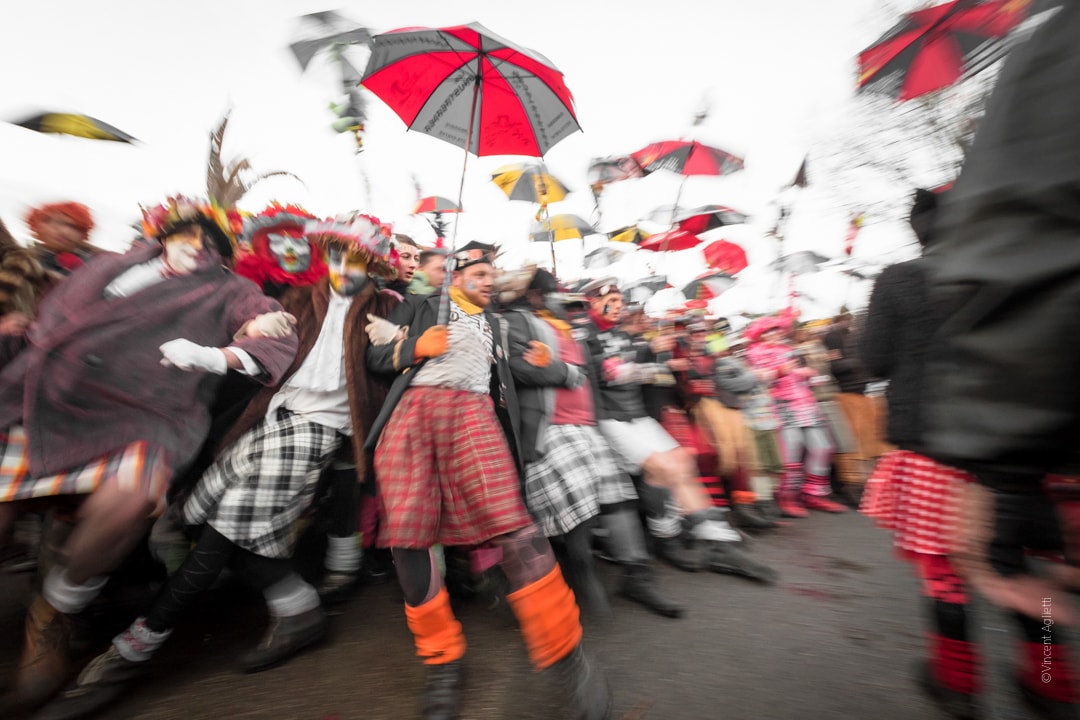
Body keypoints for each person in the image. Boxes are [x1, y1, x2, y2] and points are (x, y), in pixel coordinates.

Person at [0, 195, 297, 715]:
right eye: (185, 234)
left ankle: (53, 613)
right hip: (48, 400)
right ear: (164, 236)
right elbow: (49, 313)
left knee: (133, 494)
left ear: (224, 255)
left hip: (146, 416)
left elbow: (266, 326)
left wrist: (231, 347)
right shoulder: (109, 265)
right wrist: (21, 326)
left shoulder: (230, 289)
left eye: (210, 242)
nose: (196, 246)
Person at [366, 242, 611, 720]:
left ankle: (568, 657)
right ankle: (442, 661)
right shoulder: (417, 306)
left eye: (492, 275)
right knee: (408, 540)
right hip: (412, 418)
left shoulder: (499, 324)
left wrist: (547, 363)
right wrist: (417, 346)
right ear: (455, 277)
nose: (488, 280)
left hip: (473, 418)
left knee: (515, 531)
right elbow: (375, 358)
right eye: (478, 272)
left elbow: (530, 371)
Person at [502, 267, 683, 619]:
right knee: (578, 503)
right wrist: (562, 370)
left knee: (617, 501)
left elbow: (597, 372)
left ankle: (636, 575)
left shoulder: (573, 328)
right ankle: (580, 573)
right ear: (536, 295)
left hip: (588, 424)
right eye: (552, 292)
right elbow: (520, 366)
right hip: (551, 425)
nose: (561, 298)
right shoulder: (517, 320)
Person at [581, 279, 775, 582]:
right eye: (613, 301)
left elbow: (652, 373)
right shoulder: (585, 336)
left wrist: (649, 362)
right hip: (610, 419)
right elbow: (613, 374)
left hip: (637, 415)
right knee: (661, 466)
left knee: (683, 460)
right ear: (592, 302)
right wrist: (647, 367)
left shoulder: (625, 335)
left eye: (621, 301)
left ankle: (716, 538)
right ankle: (667, 539)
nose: (619, 307)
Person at [745, 313, 845, 517]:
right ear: (761, 335)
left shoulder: (789, 350)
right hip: (781, 405)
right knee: (792, 451)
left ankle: (814, 495)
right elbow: (756, 380)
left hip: (806, 403)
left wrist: (808, 376)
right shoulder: (754, 353)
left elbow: (799, 374)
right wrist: (780, 372)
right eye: (769, 331)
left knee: (823, 447)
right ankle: (787, 497)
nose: (775, 333)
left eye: (777, 329)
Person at [23, 201, 99, 276]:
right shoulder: (22, 261)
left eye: (76, 228)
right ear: (40, 225)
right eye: (59, 223)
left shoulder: (95, 265)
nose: (65, 232)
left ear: (83, 236)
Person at [383, 233, 420, 299]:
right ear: (387, 258)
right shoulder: (366, 289)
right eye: (406, 257)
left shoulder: (417, 299)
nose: (413, 265)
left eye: (416, 259)